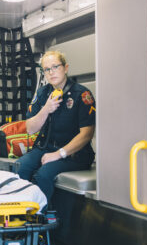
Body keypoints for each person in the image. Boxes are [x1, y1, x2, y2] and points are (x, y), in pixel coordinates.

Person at [17, 50, 96, 203]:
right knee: (21, 167)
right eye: (47, 69)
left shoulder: (82, 94)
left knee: (43, 174)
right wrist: (46, 109)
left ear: (65, 68)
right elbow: (30, 128)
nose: (51, 72)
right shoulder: (42, 93)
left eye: (55, 67)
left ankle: (42, 218)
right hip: (45, 148)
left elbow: (87, 134)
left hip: (74, 154)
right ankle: (22, 213)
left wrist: (59, 154)